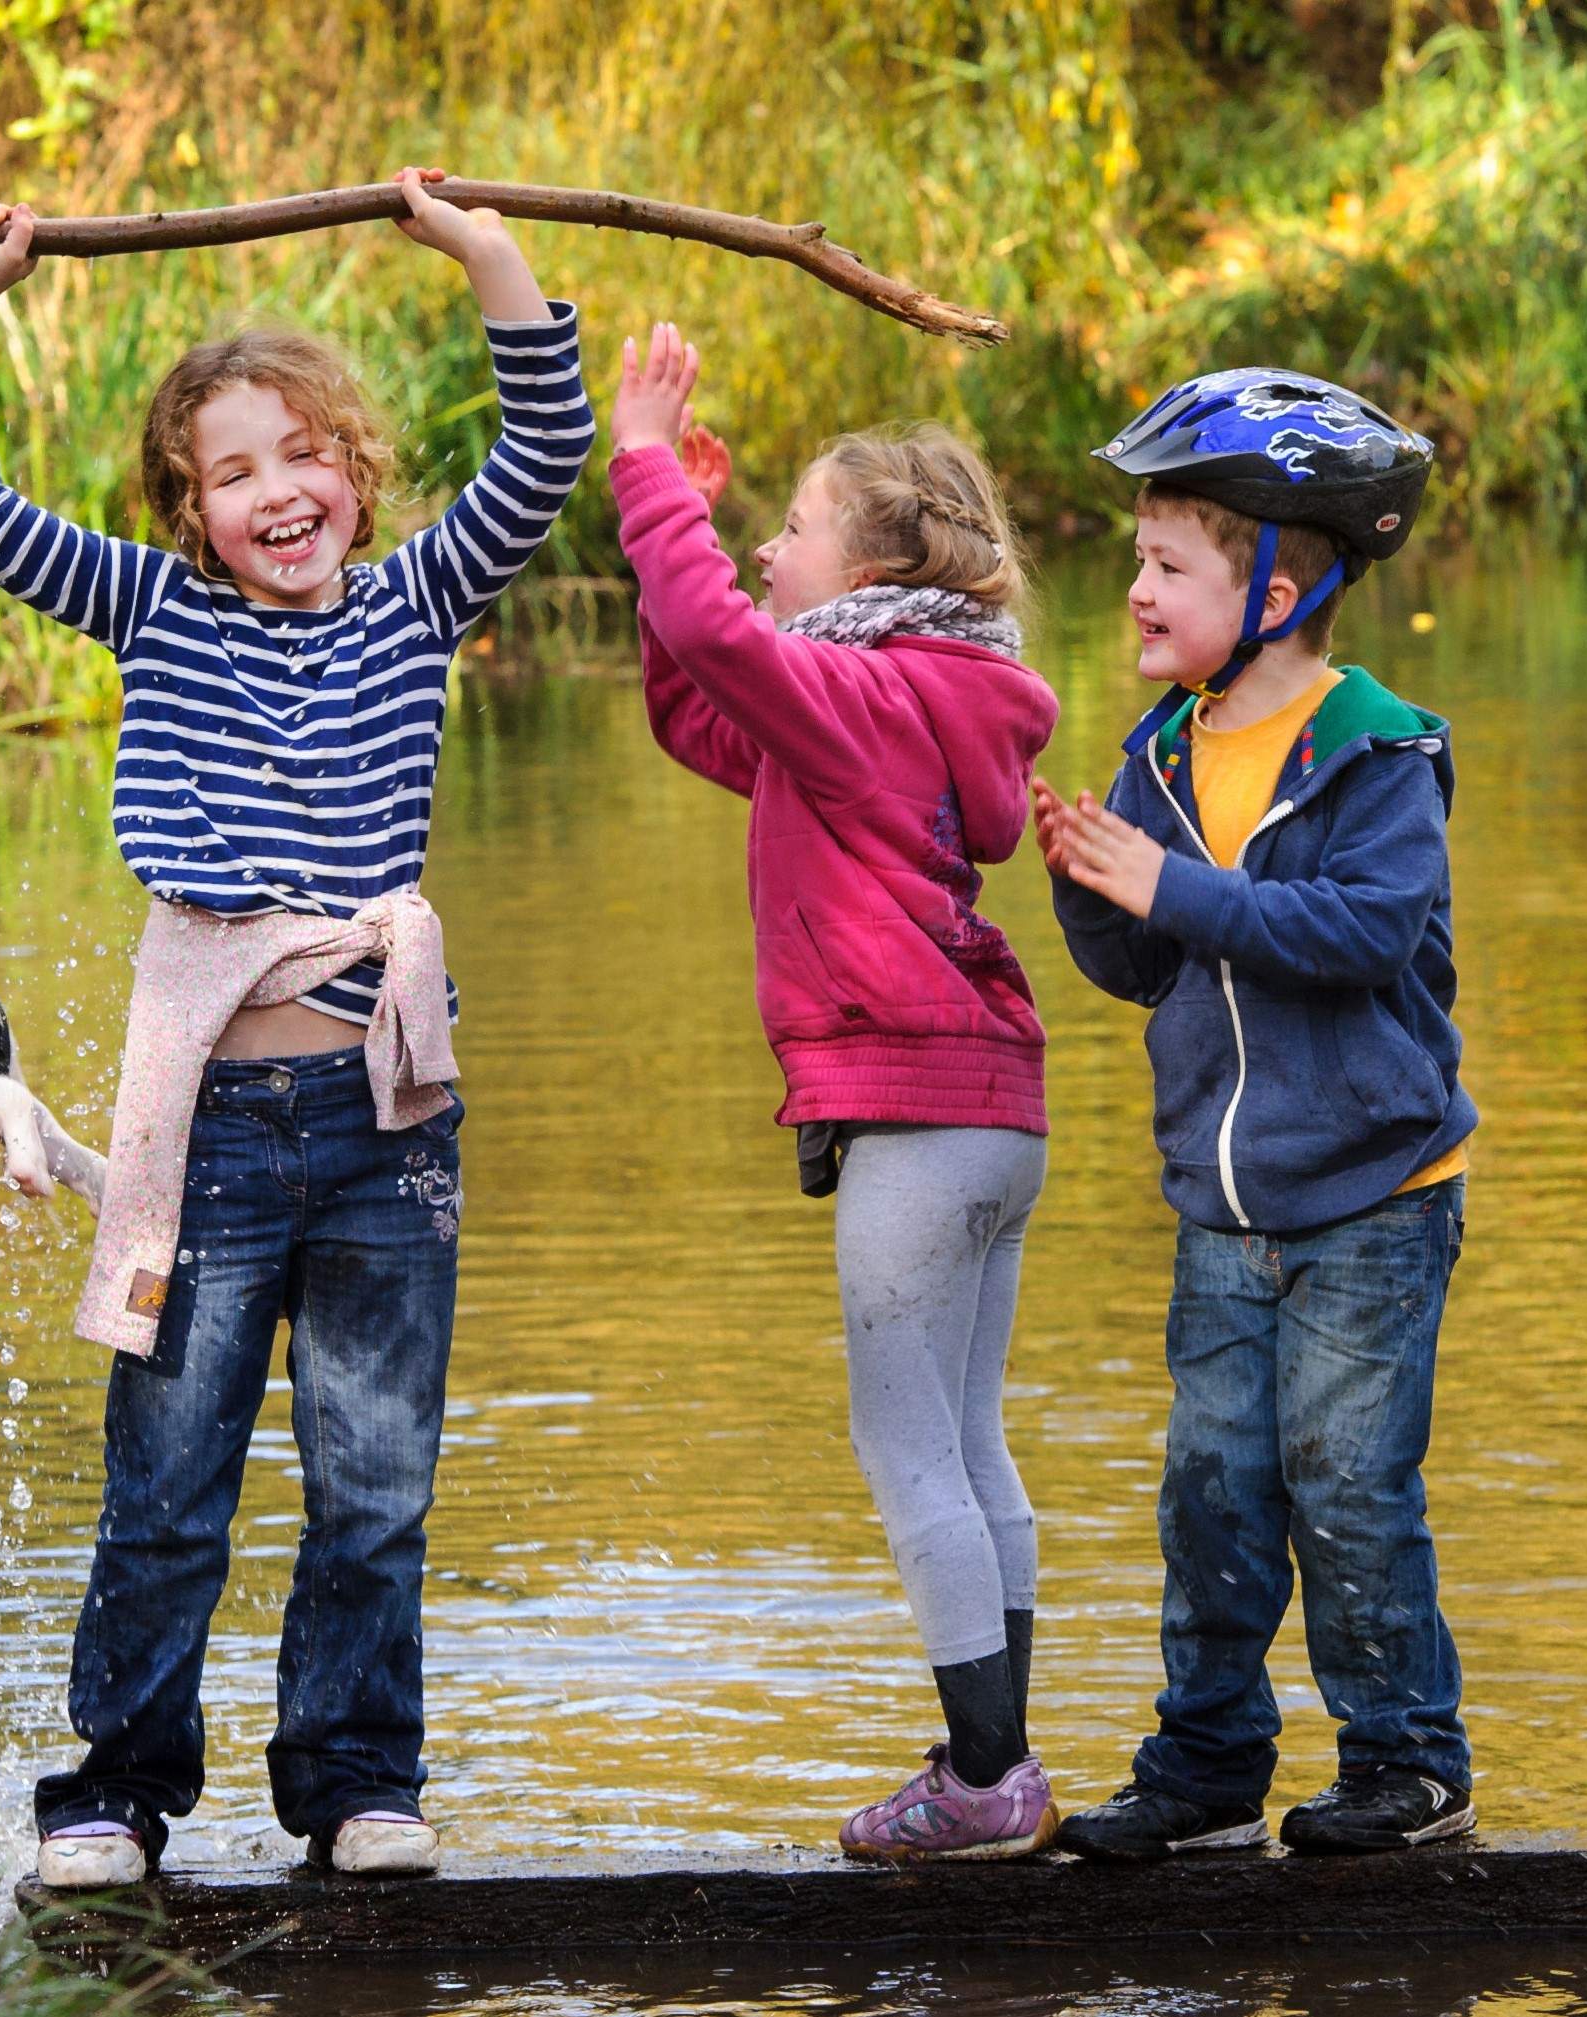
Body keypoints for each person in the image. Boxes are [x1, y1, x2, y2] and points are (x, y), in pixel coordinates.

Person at [0, 173, 594, 1888]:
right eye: (232, 474)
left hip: (385, 1119)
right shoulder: (156, 612)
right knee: (170, 1481)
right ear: (189, 512)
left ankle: (358, 1783)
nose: (278, 493)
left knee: (375, 1480)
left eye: (303, 455)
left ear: (353, 467)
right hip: (207, 1124)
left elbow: (546, 451)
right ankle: (113, 1798)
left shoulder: (421, 600)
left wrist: (488, 256)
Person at [604, 322, 1068, 1861]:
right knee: (972, 1433)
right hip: (994, 1111)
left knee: (905, 1446)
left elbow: (727, 646)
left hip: (915, 1113)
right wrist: (708, 578)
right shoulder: (914, 699)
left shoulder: (855, 702)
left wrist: (647, 463)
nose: (760, 546)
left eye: (788, 530)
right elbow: (697, 704)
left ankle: (983, 1783)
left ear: (870, 567)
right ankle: (1000, 1761)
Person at [1030, 369, 1479, 1859]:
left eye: (1169, 564)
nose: (1138, 589)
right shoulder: (1162, 749)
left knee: (1345, 1483)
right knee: (1213, 1487)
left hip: (1372, 1193)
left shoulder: (1379, 747)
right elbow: (1145, 962)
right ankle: (1210, 1755)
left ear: (1279, 583)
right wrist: (1090, 882)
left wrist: (1173, 885)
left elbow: (1358, 932)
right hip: (1221, 1202)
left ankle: (1407, 1758)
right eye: (1139, 559)